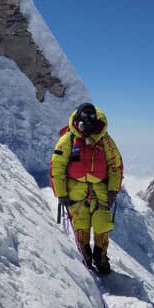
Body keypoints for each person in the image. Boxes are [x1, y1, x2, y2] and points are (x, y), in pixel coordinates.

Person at [50, 103, 123, 274]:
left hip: (100, 189)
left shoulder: (104, 139)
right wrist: (61, 193)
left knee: (102, 222)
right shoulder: (68, 139)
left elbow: (115, 165)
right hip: (75, 189)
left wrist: (113, 189)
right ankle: (85, 256)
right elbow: (57, 167)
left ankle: (100, 256)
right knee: (80, 223)